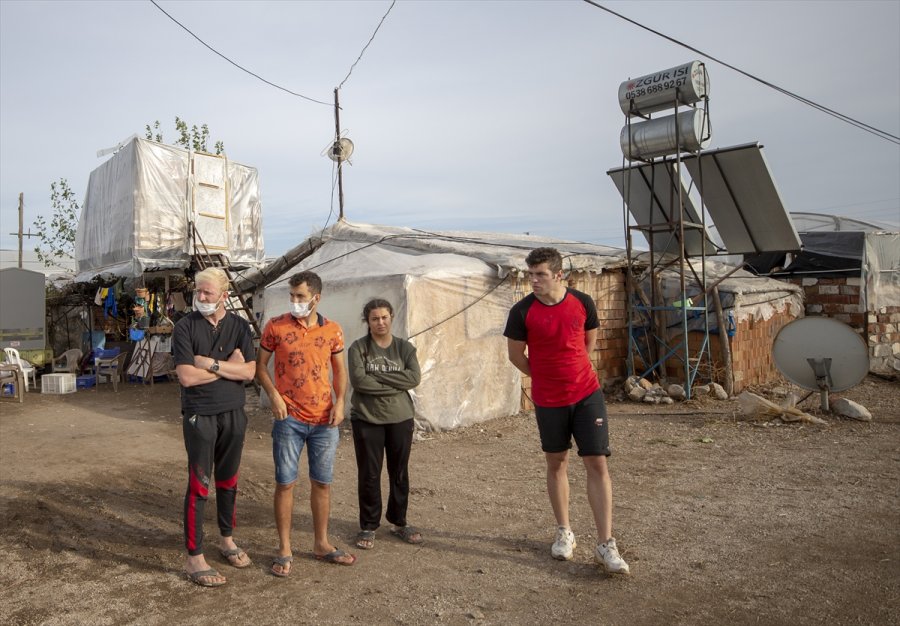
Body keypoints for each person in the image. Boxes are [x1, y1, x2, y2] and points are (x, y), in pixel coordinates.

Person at [503, 247, 630, 575]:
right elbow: (516, 356)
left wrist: (572, 371)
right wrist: (544, 375)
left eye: (540, 274)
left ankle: (605, 544)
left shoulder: (582, 303)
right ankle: (564, 532)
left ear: (559, 275)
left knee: (596, 463)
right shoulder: (521, 312)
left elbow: (587, 344)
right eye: (530, 274)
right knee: (556, 462)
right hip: (548, 399)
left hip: (587, 395)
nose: (533, 280)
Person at [256, 271, 355, 577]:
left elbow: (339, 371)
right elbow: (260, 366)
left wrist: (341, 402)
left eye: (300, 296)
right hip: (289, 419)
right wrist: (273, 396)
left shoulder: (333, 331)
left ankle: (321, 543)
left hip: (325, 420)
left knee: (322, 482)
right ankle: (284, 548)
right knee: (285, 483)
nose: (295, 302)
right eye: (292, 296)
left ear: (316, 298)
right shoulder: (276, 326)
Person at [173, 267, 257, 587]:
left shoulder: (239, 326)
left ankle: (226, 539)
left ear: (224, 295)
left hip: (234, 413)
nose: (201, 297)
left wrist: (208, 363)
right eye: (198, 291)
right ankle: (194, 558)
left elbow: (249, 372)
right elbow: (186, 377)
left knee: (229, 480)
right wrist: (228, 368)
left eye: (207, 292)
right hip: (200, 414)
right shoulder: (185, 327)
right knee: (199, 484)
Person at [348, 299, 423, 550]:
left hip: (400, 418)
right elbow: (360, 382)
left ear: (391, 317)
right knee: (369, 473)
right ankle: (368, 526)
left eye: (384, 317)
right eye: (374, 318)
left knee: (399, 472)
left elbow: (413, 378)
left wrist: (376, 376)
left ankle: (399, 521)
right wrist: (395, 382)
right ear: (367, 321)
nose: (380, 322)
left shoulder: (404, 348)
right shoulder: (359, 348)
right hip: (367, 419)